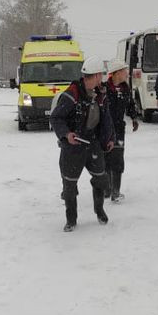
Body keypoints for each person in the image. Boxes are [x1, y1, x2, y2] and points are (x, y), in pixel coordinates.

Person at [49, 57, 115, 231]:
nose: (101, 78)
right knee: (69, 185)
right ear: (92, 76)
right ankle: (71, 219)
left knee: (101, 179)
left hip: (93, 144)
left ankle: (99, 210)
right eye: (100, 75)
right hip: (73, 147)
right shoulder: (71, 95)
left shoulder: (100, 95)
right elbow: (56, 118)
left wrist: (109, 139)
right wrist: (66, 134)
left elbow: (106, 120)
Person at [104, 59, 140, 202]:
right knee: (105, 159)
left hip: (119, 129)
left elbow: (130, 105)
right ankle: (106, 189)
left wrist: (134, 118)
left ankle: (115, 192)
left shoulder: (125, 88)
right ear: (116, 73)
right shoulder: (103, 89)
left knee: (118, 160)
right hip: (104, 130)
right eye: (124, 71)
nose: (127, 74)